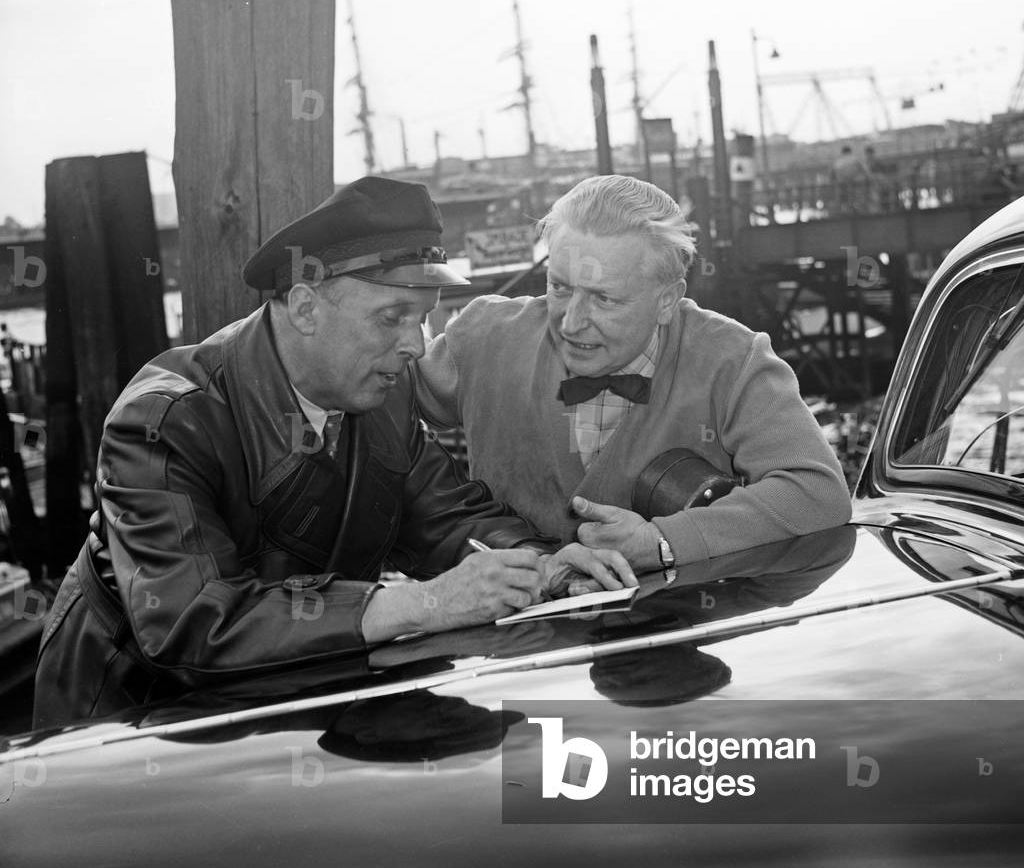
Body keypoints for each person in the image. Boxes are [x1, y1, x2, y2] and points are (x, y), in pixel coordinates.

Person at [33, 176, 633, 727]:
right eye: (393, 317)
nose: (415, 346)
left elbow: (446, 517)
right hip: (132, 717)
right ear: (304, 308)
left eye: (423, 319)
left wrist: (541, 564)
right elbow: (191, 624)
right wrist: (422, 603)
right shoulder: (165, 420)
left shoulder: (381, 394)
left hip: (299, 694)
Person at [413, 175, 852, 576]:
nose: (570, 323)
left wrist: (664, 542)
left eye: (603, 299)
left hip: (682, 623)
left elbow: (817, 492)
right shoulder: (483, 337)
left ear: (667, 301)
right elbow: (385, 408)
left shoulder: (733, 361)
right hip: (520, 630)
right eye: (560, 287)